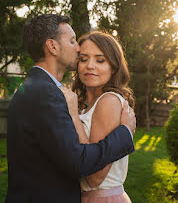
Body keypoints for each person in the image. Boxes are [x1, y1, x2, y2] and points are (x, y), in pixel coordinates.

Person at [6, 14, 136, 203]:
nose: (78, 48)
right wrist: (124, 134)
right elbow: (79, 162)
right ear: (52, 46)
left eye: (100, 60)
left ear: (113, 67)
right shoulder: (47, 93)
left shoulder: (36, 88)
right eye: (73, 41)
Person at [62, 31, 135, 202]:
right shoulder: (87, 104)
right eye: (83, 59)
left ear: (114, 66)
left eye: (100, 60)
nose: (90, 66)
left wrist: (73, 115)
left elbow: (94, 178)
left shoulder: (108, 101)